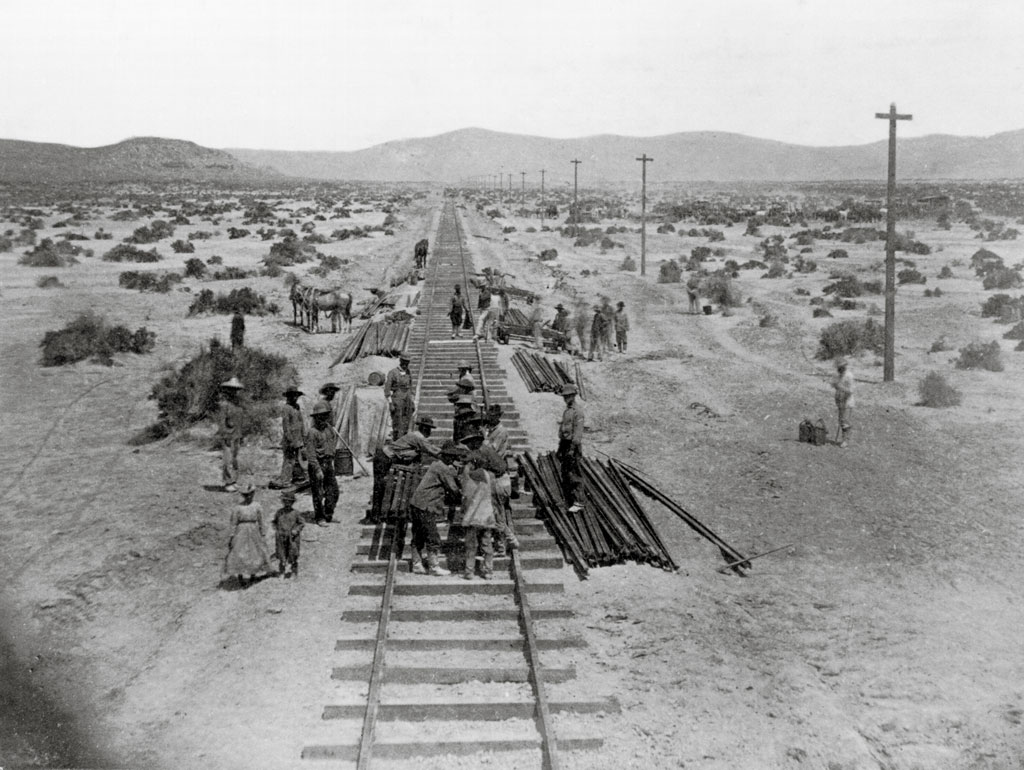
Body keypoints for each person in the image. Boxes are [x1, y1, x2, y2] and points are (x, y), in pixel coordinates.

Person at [405, 441, 465, 576]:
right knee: (433, 536)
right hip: (426, 505)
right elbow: (453, 488)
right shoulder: (443, 468)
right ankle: (433, 566)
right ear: (446, 456)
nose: (453, 459)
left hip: (416, 504)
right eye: (451, 456)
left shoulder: (435, 465)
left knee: (418, 535)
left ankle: (417, 564)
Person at [370, 416, 443, 522]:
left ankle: (378, 513)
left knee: (380, 486)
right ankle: (376, 514)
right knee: (380, 485)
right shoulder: (418, 437)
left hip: (386, 457)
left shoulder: (415, 436)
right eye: (428, 429)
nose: (429, 432)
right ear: (424, 429)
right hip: (384, 458)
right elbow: (433, 451)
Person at [458, 430, 497, 580]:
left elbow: (466, 496)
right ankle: (488, 571)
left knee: (471, 545)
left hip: (472, 516)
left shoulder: (469, 477)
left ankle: (469, 571)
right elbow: (492, 495)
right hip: (486, 515)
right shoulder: (489, 476)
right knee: (487, 544)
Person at [223, 481, 273, 588]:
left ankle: (253, 576)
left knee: (255, 552)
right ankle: (240, 576)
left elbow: (261, 521)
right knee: (240, 552)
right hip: (241, 531)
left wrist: (263, 533)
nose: (248, 496)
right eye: (246, 495)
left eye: (251, 494)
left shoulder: (257, 506)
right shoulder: (238, 508)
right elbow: (233, 523)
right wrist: (232, 536)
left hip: (254, 530)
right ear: (242, 495)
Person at [484, 406, 519, 556]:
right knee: (496, 513)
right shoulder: (492, 430)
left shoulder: (500, 431)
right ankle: (501, 547)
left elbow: (491, 450)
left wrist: (483, 438)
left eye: (491, 416)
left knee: (497, 514)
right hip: (494, 474)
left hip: (497, 477)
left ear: (497, 417)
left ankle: (510, 540)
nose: (489, 419)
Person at [305, 400, 339, 527]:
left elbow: (333, 441)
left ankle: (328, 514)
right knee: (318, 493)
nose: (323, 418)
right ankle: (320, 517)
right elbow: (311, 454)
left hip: (328, 463)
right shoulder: (312, 432)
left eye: (325, 415)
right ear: (316, 417)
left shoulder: (329, 429)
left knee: (334, 491)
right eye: (320, 416)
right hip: (317, 464)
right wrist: (317, 469)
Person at [270, 386, 307, 490]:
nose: (295, 397)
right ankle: (285, 481)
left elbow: (301, 423)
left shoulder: (297, 407)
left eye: (296, 395)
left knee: (298, 460)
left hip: (298, 439)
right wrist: (290, 440)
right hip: (290, 440)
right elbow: (286, 426)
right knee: (289, 460)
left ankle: (298, 478)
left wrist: (303, 437)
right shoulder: (286, 408)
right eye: (292, 395)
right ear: (288, 396)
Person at [557, 384, 585, 513]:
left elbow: (578, 433)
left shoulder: (577, 411)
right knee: (566, 472)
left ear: (573, 396)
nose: (565, 398)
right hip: (565, 444)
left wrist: (572, 448)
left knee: (574, 473)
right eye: (564, 396)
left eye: (567, 396)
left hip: (572, 445)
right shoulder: (567, 410)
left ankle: (579, 501)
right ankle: (569, 499)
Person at [217, 377, 245, 492]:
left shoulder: (238, 405)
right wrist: (225, 434)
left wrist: (241, 435)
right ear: (227, 390)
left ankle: (234, 480)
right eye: (231, 389)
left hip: (237, 435)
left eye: (235, 389)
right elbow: (221, 422)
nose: (234, 392)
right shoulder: (224, 404)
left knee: (235, 459)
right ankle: (228, 482)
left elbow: (239, 421)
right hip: (228, 435)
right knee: (227, 459)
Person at [273, 489, 303, 579]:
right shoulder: (279, 512)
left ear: (292, 503)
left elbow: (301, 523)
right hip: (281, 536)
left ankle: (294, 572)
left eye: (289, 502)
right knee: (282, 554)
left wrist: (296, 530)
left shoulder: (295, 513)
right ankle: (281, 571)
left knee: (293, 554)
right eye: (285, 501)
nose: (287, 503)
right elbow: (274, 522)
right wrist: (277, 530)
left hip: (292, 538)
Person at [384, 353, 414, 440]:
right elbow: (387, 389)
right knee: (397, 422)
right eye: (404, 362)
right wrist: (390, 403)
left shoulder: (408, 372)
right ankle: (397, 442)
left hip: (407, 399)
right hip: (397, 399)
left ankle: (404, 441)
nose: (405, 364)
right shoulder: (393, 372)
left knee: (406, 421)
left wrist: (412, 400)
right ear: (400, 361)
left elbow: (411, 386)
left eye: (407, 362)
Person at [831, 357, 855, 448]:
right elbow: (833, 384)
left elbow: (850, 390)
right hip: (840, 400)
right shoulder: (837, 375)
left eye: (841, 367)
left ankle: (846, 440)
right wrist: (836, 385)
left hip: (847, 401)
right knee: (841, 419)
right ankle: (844, 439)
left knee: (845, 421)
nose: (839, 369)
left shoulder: (849, 376)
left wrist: (840, 387)